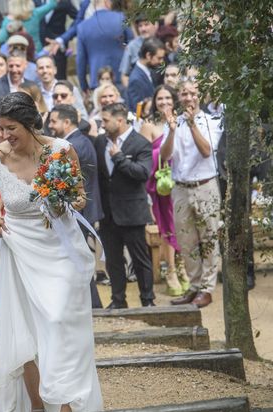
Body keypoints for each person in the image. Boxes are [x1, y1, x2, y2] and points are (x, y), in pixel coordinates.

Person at [0, 92, 103, 412]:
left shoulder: (61, 150)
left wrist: (66, 199)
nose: (5, 136)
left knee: (59, 320)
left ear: (30, 124)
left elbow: (79, 197)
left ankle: (65, 403)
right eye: (1, 128)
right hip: (18, 247)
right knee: (24, 329)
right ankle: (36, 406)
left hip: (61, 245)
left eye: (11, 128)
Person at [161, 80, 222, 309]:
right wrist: (172, 131)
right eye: (184, 93)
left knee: (209, 237)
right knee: (186, 241)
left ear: (200, 96)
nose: (188, 98)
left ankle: (206, 288)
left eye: (192, 93)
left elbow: (206, 151)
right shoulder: (173, 123)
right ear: (179, 96)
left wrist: (192, 125)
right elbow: (167, 156)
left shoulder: (211, 120)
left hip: (205, 185)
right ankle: (194, 286)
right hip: (180, 188)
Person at [95, 103, 155, 308]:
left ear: (119, 120)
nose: (102, 125)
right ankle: (118, 300)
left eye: (105, 120)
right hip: (108, 213)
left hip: (132, 212)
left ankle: (147, 300)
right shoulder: (100, 141)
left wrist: (119, 158)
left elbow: (143, 173)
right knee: (113, 260)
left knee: (140, 259)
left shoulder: (140, 143)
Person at [48, 104, 103, 307]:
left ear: (67, 122)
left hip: (79, 212)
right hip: (80, 210)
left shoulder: (74, 145)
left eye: (53, 121)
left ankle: (92, 304)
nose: (50, 125)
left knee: (77, 258)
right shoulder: (79, 141)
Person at [139, 85, 189, 296]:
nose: (164, 102)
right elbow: (143, 156)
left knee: (182, 226)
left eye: (168, 97)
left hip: (182, 178)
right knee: (167, 227)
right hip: (161, 184)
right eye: (160, 98)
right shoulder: (148, 125)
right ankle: (170, 272)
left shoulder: (184, 120)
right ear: (154, 101)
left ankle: (181, 265)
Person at [76, 0, 134, 93]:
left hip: (97, 81)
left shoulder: (83, 27)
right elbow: (132, 46)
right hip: (122, 78)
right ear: (107, 2)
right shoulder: (121, 18)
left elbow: (80, 60)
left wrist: (84, 86)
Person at [0, 51, 36, 118]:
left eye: (18, 66)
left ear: (25, 65)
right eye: (11, 66)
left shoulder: (32, 86)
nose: (14, 70)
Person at [118, 13, 159, 88]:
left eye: (146, 25)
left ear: (155, 25)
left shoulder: (161, 43)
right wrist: (133, 91)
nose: (143, 29)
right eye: (140, 26)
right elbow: (124, 76)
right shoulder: (132, 46)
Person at [126, 37, 166, 112]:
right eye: (159, 58)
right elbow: (138, 110)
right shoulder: (136, 80)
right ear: (148, 56)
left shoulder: (150, 72)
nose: (161, 62)